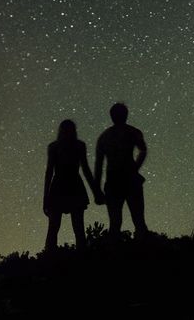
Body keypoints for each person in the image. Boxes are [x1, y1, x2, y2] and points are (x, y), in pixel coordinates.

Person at [43, 119, 102, 252]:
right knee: (73, 228)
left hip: (63, 186)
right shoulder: (77, 145)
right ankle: (76, 259)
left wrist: (46, 198)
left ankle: (49, 259)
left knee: (57, 228)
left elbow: (49, 173)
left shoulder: (55, 147)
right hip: (70, 186)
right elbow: (85, 170)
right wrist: (95, 191)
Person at [95, 102, 149, 240]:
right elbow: (143, 149)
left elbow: (98, 166)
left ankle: (116, 255)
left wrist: (97, 190)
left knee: (116, 223)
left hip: (115, 182)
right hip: (128, 181)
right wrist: (135, 168)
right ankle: (144, 251)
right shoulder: (132, 132)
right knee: (138, 220)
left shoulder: (104, 137)